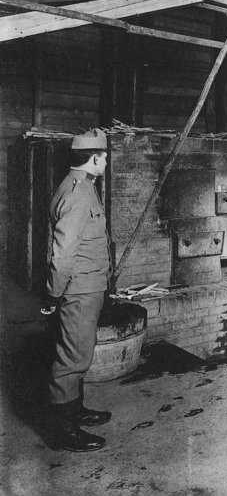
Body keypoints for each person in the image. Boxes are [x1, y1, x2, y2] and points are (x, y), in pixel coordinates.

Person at [46, 129, 112, 453]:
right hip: (79, 289)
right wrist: (54, 294)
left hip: (90, 285)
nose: (106, 161)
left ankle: (76, 411)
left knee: (79, 352)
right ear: (96, 158)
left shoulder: (84, 186)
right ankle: (63, 433)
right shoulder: (77, 193)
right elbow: (63, 252)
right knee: (72, 359)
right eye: (105, 156)